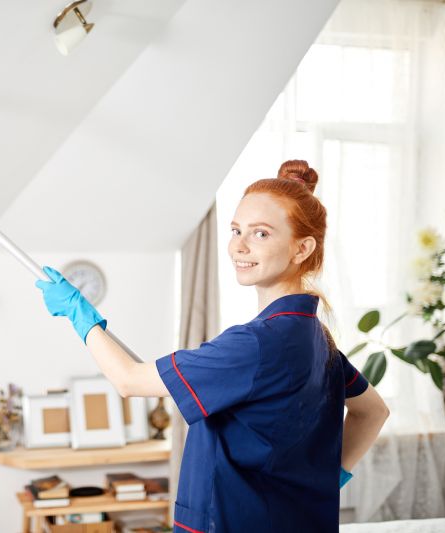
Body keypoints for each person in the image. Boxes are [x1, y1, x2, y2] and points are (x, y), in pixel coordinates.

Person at [35, 160, 390, 532]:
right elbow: (374, 412)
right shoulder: (314, 337)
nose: (239, 246)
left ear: (302, 248)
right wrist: (329, 479)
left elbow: (128, 381)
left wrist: (79, 314)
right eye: (236, 230)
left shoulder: (256, 343)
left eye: (261, 234)